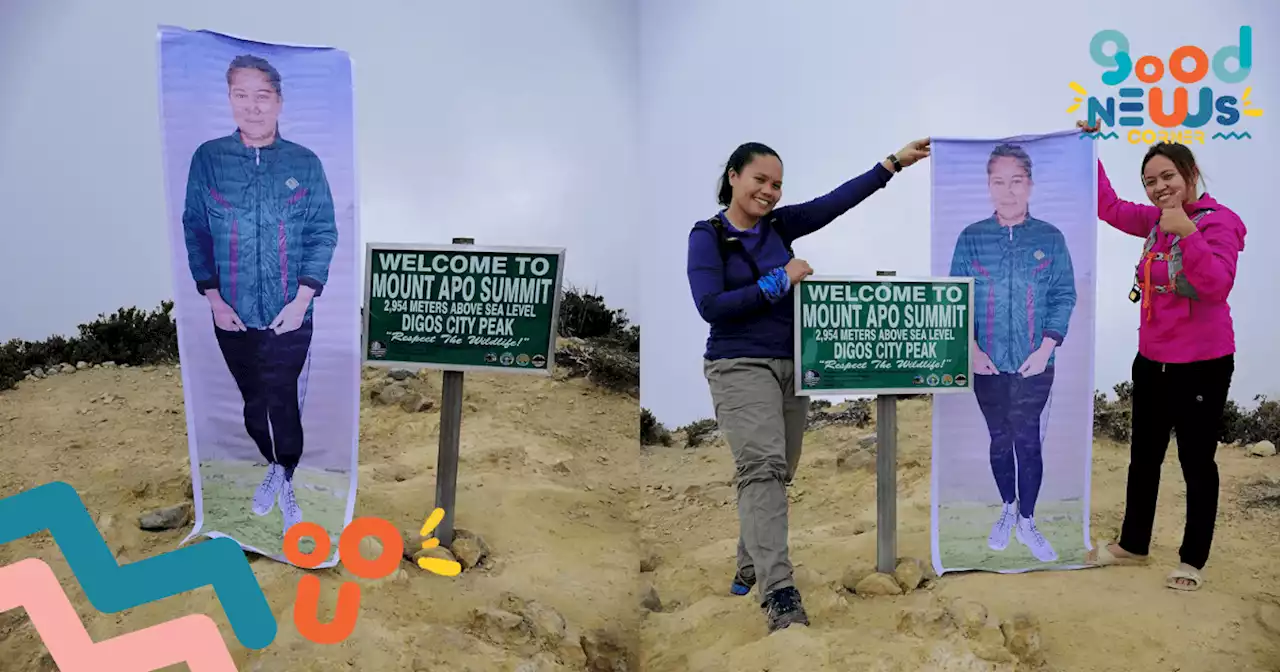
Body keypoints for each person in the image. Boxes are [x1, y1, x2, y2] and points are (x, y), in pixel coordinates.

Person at [687, 138, 931, 633]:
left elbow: (834, 203)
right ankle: (778, 592)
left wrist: (891, 165)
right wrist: (781, 280)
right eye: (760, 180)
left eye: (777, 184)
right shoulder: (707, 235)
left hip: (792, 365)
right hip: (738, 364)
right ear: (733, 176)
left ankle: (750, 560)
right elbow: (711, 305)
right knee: (762, 466)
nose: (769, 191)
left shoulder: (780, 225)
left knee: (779, 471)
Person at [1077, 121, 1246, 591]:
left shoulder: (1219, 221)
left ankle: (1191, 560)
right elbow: (1107, 207)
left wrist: (1188, 232)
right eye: (1150, 181)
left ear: (1190, 174)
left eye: (1167, 176)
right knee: (1143, 456)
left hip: (1203, 365)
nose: (1159, 188)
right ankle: (1133, 545)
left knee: (1196, 462)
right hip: (1151, 360)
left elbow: (1216, 286)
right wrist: (1086, 148)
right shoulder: (1153, 221)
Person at [181, 54, 339, 537]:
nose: (252, 107)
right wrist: (214, 299)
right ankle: (272, 464)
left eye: (262, 96)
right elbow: (195, 230)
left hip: (290, 314)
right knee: (253, 401)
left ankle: (285, 477)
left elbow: (322, 232)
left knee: (282, 398)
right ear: (230, 99)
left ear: (279, 102)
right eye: (241, 96)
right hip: (230, 313)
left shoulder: (303, 163)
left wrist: (302, 300)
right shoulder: (208, 159)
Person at [948, 143, 1077, 563]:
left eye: (1016, 181)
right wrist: (969, 349)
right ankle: (1006, 506)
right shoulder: (971, 238)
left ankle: (1028, 519)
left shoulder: (1049, 238)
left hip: (1035, 364)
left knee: (1027, 439)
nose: (1008, 191)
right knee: (1000, 439)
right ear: (988, 186)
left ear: (1030, 185)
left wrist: (1046, 347)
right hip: (986, 365)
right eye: (999, 182)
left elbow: (1063, 294)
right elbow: (956, 296)